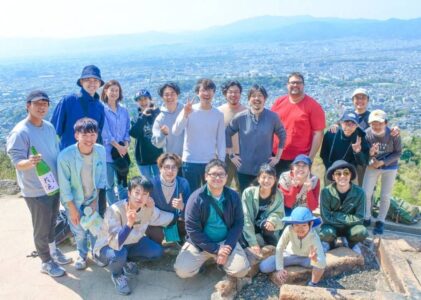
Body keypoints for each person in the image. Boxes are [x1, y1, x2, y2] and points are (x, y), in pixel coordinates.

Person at [6, 90, 72, 277]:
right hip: (35, 189)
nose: (42, 107)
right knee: (41, 227)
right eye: (37, 104)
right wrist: (30, 162)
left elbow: (54, 151)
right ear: (28, 106)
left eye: (45, 104)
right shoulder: (20, 132)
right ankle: (45, 261)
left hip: (53, 185)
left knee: (52, 221)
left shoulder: (49, 127)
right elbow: (17, 162)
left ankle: (52, 251)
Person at [94, 176, 174, 295]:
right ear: (129, 193)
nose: (139, 197)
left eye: (145, 194)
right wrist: (128, 225)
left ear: (149, 197)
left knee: (156, 251)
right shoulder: (114, 210)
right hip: (107, 247)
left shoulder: (147, 207)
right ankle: (117, 275)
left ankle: (125, 263)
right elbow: (115, 243)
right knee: (119, 254)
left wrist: (182, 217)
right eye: (136, 193)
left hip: (132, 243)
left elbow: (161, 217)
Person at [174, 159, 250, 284]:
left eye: (221, 174)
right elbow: (192, 229)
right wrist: (216, 249)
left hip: (225, 241)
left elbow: (238, 223)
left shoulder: (233, 196)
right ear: (206, 176)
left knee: (241, 270)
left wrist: (227, 247)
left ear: (226, 177)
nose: (217, 178)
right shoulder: (196, 198)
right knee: (183, 271)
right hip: (200, 244)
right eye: (213, 174)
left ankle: (221, 259)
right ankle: (211, 258)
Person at [57, 118, 108, 270]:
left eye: (92, 134)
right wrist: (71, 208)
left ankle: (96, 252)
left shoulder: (100, 150)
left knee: (94, 227)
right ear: (76, 135)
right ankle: (82, 254)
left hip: (93, 197)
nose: (89, 139)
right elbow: (64, 186)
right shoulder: (65, 156)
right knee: (78, 230)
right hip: (73, 200)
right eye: (84, 135)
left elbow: (101, 178)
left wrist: (95, 201)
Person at [329, 88, 400, 183]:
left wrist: (395, 129)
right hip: (348, 159)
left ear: (368, 100)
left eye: (363, 98)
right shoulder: (348, 116)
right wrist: (335, 125)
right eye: (357, 98)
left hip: (364, 160)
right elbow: (339, 125)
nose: (360, 101)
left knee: (364, 189)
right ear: (352, 100)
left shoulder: (372, 117)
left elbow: (385, 129)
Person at [226, 84, 286, 192]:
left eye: (260, 95)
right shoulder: (241, 117)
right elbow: (227, 132)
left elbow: (282, 134)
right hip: (244, 168)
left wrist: (277, 157)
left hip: (265, 169)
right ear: (249, 99)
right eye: (253, 96)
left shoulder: (272, 117)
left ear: (265, 98)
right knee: (245, 198)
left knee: (264, 199)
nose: (256, 98)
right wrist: (231, 155)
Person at [172, 79, 225, 192]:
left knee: (212, 193)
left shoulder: (218, 114)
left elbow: (221, 140)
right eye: (203, 90)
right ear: (198, 93)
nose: (207, 93)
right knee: (191, 195)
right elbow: (176, 131)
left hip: (211, 162)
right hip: (191, 161)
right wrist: (185, 114)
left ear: (214, 93)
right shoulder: (189, 110)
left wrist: (221, 162)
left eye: (210, 90)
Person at [271, 72, 326, 175]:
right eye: (292, 82)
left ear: (303, 85)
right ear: (287, 85)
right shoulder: (279, 101)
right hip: (276, 156)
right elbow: (271, 125)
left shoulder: (313, 106)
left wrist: (310, 158)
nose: (295, 85)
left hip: (299, 159)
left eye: (298, 83)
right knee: (275, 188)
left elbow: (318, 134)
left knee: (297, 188)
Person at [259, 207, 326, 287]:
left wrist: (315, 259)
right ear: (292, 224)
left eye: (304, 225)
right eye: (297, 225)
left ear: (310, 224)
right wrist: (279, 269)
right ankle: (325, 246)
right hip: (289, 255)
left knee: (321, 263)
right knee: (264, 266)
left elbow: (321, 263)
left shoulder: (314, 236)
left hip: (306, 259)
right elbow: (280, 247)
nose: (300, 229)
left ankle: (313, 284)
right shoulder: (289, 230)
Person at [362, 110, 402, 235]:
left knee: (385, 195)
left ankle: (380, 221)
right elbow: (364, 153)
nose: (377, 126)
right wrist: (372, 158)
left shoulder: (393, 134)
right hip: (373, 165)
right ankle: (366, 217)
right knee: (366, 192)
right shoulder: (367, 134)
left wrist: (383, 162)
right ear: (370, 124)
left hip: (390, 167)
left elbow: (398, 152)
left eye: (380, 123)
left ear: (386, 123)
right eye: (374, 123)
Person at [319, 160, 369, 255]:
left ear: (350, 175)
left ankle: (351, 242)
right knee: (325, 233)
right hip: (331, 226)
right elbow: (325, 217)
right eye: (338, 173)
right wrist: (346, 218)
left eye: (346, 173)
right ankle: (330, 243)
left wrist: (337, 215)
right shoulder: (325, 192)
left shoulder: (360, 193)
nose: (342, 176)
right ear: (333, 177)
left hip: (351, 227)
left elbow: (360, 218)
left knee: (362, 232)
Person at [51, 65, 105, 150]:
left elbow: (98, 133)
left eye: (95, 80)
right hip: (69, 156)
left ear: (99, 84)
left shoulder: (100, 107)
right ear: (81, 82)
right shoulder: (68, 101)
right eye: (88, 80)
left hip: (90, 156)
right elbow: (53, 130)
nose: (92, 83)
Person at [241, 164, 285, 258]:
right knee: (242, 241)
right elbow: (246, 217)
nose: (266, 181)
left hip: (266, 229)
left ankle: (272, 247)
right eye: (264, 177)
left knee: (268, 226)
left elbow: (280, 213)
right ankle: (257, 242)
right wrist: (253, 242)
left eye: (270, 177)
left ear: (275, 179)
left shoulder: (278, 194)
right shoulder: (248, 192)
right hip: (250, 227)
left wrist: (272, 221)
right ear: (258, 178)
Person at [147, 153, 191, 244]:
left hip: (175, 221)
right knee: (156, 240)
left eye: (174, 167)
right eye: (167, 167)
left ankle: (179, 238)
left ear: (178, 169)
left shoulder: (183, 183)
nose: (170, 171)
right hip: (156, 220)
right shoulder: (151, 184)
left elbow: (191, 210)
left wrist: (182, 206)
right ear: (160, 168)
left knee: (190, 224)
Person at [320, 110, 370, 184]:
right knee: (329, 193)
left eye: (353, 123)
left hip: (350, 173)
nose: (349, 126)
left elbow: (363, 162)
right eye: (346, 123)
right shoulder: (331, 134)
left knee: (352, 194)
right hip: (331, 169)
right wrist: (331, 169)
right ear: (341, 123)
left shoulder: (360, 137)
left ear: (357, 126)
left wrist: (357, 152)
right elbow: (324, 154)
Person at [101, 80, 130, 205]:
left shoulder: (123, 110)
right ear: (105, 91)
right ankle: (114, 209)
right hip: (107, 153)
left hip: (122, 153)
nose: (114, 93)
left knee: (122, 182)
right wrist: (118, 146)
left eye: (116, 90)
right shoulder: (102, 110)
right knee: (109, 185)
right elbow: (105, 132)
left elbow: (128, 128)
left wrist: (126, 145)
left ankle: (123, 206)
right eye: (111, 90)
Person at [218, 80, 247, 189]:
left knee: (244, 187)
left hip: (243, 156)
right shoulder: (219, 112)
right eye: (230, 92)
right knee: (222, 187)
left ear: (240, 93)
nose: (233, 95)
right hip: (224, 156)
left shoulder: (247, 111)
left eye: (236, 92)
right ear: (225, 93)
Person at [129, 89, 163, 180]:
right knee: (146, 184)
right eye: (140, 100)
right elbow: (134, 133)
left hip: (158, 156)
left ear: (150, 100)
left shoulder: (158, 113)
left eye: (145, 99)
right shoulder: (135, 117)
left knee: (160, 181)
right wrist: (143, 116)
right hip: (142, 157)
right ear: (137, 102)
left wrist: (154, 111)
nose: (143, 102)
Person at [152, 82, 184, 156]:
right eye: (166, 95)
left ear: (177, 94)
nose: (169, 97)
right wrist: (163, 134)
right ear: (162, 97)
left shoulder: (187, 111)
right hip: (172, 161)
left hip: (191, 158)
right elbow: (157, 144)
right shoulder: (160, 119)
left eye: (172, 94)